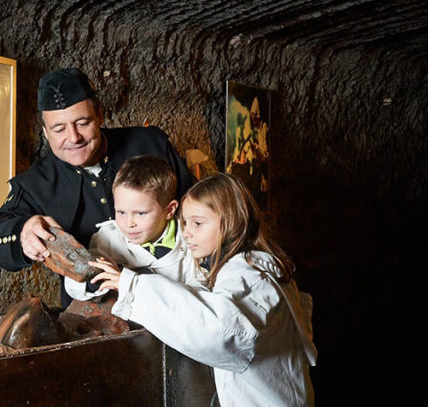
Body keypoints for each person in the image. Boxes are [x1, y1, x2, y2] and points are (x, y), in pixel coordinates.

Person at [89, 173, 317, 406]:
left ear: (230, 222)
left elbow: (220, 331)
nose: (187, 232)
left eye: (198, 223)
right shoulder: (257, 264)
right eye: (185, 223)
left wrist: (131, 286)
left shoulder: (246, 275)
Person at [0, 68, 194, 306]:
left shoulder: (151, 143)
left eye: (82, 123)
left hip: (176, 298)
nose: (73, 137)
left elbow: (200, 206)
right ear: (45, 133)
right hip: (92, 318)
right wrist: (24, 230)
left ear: (99, 115)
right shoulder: (35, 183)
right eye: (59, 129)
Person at [64, 155, 206, 302]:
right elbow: (75, 283)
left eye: (140, 213)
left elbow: (201, 292)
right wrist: (94, 280)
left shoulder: (190, 240)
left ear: (169, 210)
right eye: (121, 212)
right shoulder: (108, 238)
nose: (129, 223)